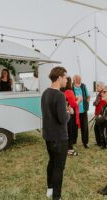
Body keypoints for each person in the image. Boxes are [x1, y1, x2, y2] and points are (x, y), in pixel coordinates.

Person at [41, 66, 73, 200]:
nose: (67, 80)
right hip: (59, 138)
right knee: (59, 167)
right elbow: (62, 119)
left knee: (52, 162)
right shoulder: (60, 95)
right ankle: (57, 197)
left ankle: (50, 188)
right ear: (59, 78)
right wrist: (68, 112)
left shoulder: (45, 93)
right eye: (65, 77)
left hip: (48, 136)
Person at [62, 77, 81, 156]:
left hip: (65, 113)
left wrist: (75, 98)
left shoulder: (62, 91)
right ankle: (69, 149)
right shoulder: (69, 91)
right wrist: (79, 100)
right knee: (70, 131)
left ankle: (66, 148)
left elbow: (68, 100)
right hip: (70, 114)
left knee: (66, 131)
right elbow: (73, 104)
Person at [72, 75, 91, 148]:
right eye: (77, 81)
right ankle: (73, 141)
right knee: (74, 127)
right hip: (74, 111)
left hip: (83, 111)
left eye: (79, 81)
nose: (78, 83)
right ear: (74, 81)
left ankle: (85, 142)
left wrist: (87, 102)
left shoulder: (83, 86)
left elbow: (88, 96)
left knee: (85, 127)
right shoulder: (71, 87)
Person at [93, 81, 107, 148]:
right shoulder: (100, 94)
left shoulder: (103, 93)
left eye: (97, 86)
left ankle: (103, 144)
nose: (96, 88)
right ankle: (99, 142)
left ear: (101, 87)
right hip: (99, 113)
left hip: (101, 114)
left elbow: (97, 103)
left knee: (100, 129)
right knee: (97, 128)